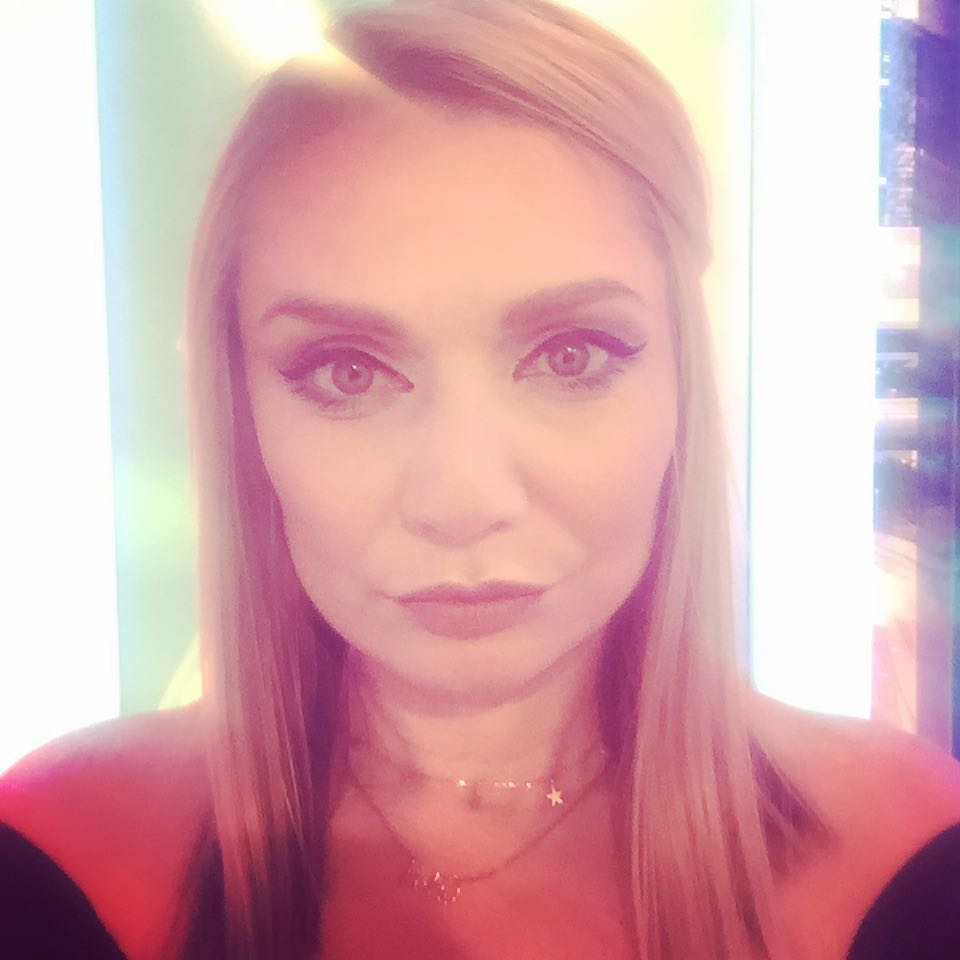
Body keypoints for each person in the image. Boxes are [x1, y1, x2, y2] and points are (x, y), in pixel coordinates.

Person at [2, 1, 960, 958]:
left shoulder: (907, 853)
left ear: (681, 382)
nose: (463, 502)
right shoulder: (59, 853)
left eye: (572, 355)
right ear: (240, 407)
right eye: (347, 371)